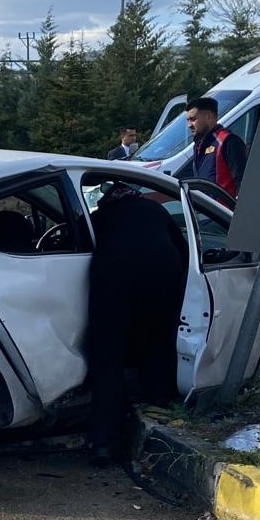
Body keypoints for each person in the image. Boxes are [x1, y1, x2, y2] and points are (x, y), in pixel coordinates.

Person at [83, 182, 189, 464]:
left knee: (107, 357)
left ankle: (103, 443)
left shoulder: (100, 217)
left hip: (113, 278)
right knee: (158, 341)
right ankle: (158, 400)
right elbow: (185, 252)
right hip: (162, 275)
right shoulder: (156, 210)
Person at [177, 96, 248, 198]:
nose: (189, 125)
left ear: (208, 117)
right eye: (187, 120)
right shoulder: (198, 145)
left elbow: (243, 181)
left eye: (193, 119)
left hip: (222, 207)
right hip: (205, 206)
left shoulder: (228, 141)